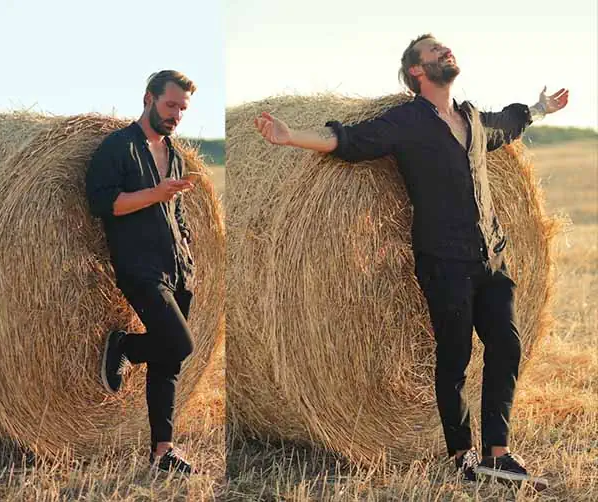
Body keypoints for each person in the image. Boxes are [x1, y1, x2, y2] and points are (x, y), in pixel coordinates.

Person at [254, 34, 568, 487]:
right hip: (444, 260)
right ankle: (461, 453)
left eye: (446, 48)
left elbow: (509, 123)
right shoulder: (407, 121)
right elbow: (351, 141)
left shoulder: (472, 118)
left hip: (492, 256)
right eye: (434, 51)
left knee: (507, 347)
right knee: (455, 357)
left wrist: (538, 110)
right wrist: (289, 138)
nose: (446, 52)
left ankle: (497, 454)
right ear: (417, 72)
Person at [85, 70, 199, 474]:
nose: (176, 115)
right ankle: (126, 347)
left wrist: (188, 246)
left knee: (169, 361)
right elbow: (102, 203)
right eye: (170, 105)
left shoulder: (176, 153)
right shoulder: (117, 148)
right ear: (149, 98)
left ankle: (162, 451)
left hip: (178, 270)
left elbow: (177, 211)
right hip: (140, 266)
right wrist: (154, 194)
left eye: (182, 109)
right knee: (180, 345)